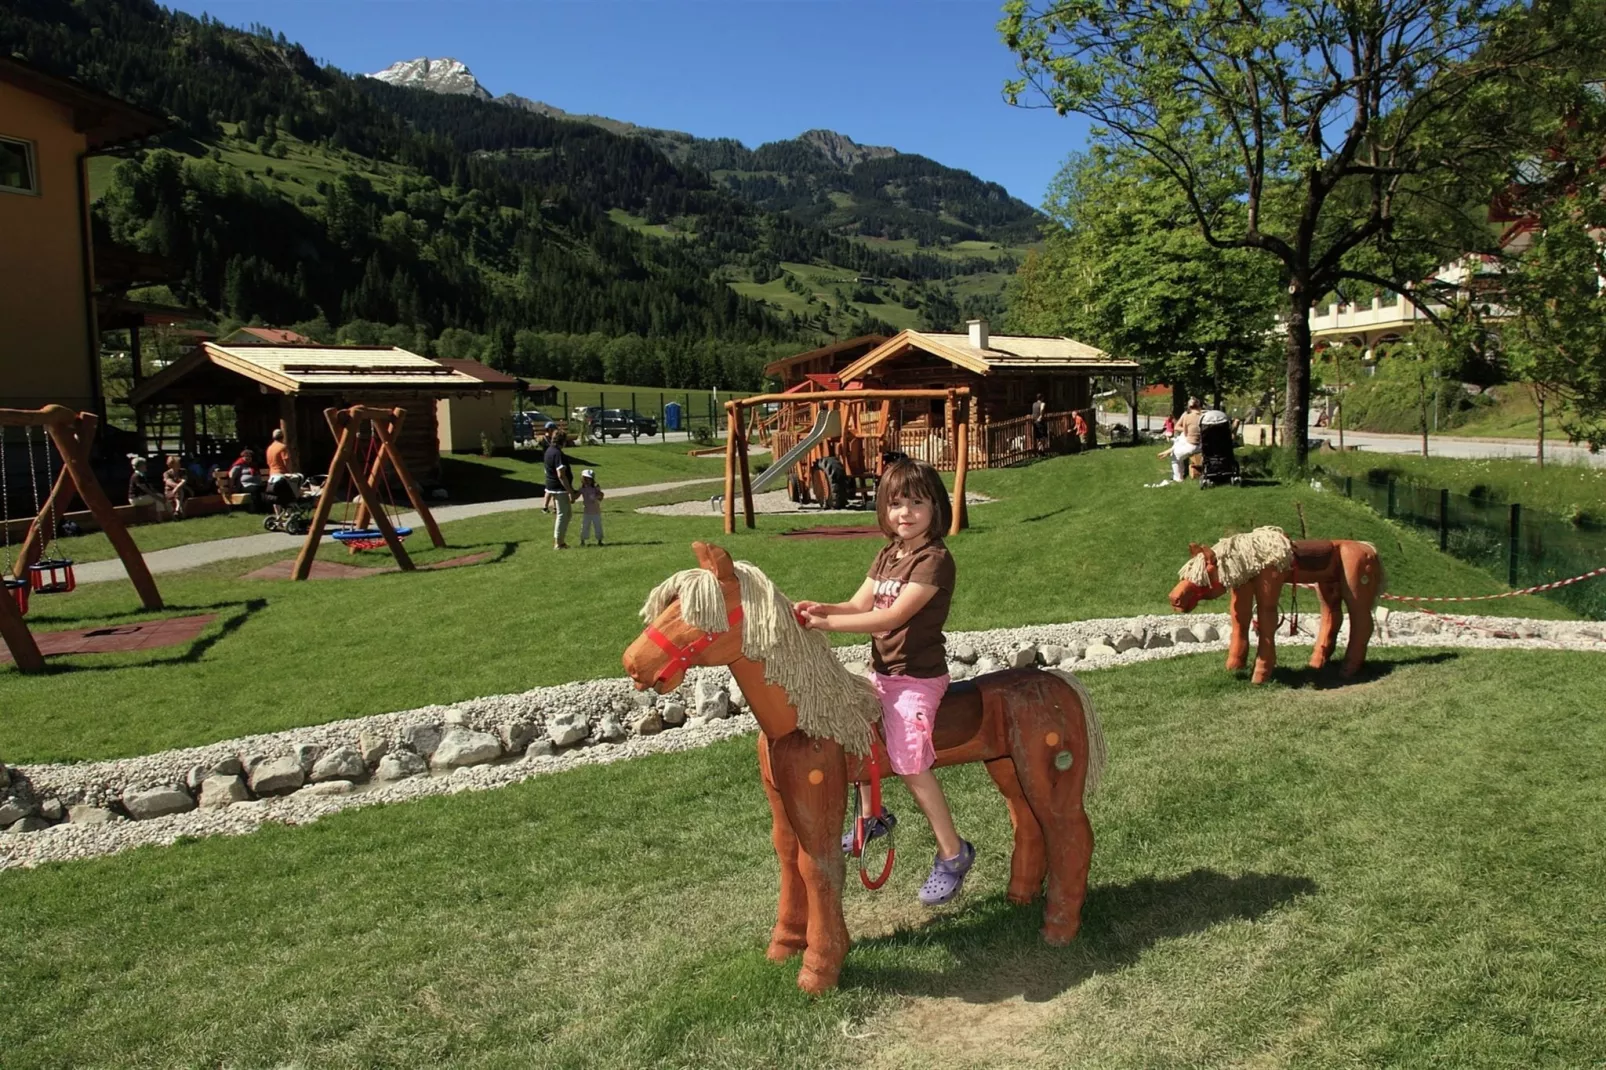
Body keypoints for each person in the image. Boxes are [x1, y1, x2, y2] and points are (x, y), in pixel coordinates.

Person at [795, 460, 975, 907]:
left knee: (910, 761)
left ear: (936, 507)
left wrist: (829, 626)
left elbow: (894, 616)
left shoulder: (934, 560)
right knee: (856, 732)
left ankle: (953, 853)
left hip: (916, 679)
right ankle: (872, 816)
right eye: (896, 503)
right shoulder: (889, 553)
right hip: (883, 673)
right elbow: (860, 602)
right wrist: (825, 608)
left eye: (917, 502)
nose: (906, 513)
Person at [544, 428, 577, 549]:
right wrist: (570, 491)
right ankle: (558, 543)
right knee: (563, 514)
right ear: (562, 441)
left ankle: (561, 541)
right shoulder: (558, 454)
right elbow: (561, 475)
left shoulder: (549, 451)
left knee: (567, 514)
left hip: (553, 486)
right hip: (559, 488)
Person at [1171, 397, 1205, 483]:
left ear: (1189, 407)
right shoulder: (1204, 416)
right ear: (1199, 406)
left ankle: (1178, 478)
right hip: (1202, 445)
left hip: (1191, 445)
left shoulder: (1186, 416)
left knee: (1175, 456)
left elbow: (1185, 433)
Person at [229, 448, 266, 513]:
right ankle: (256, 510)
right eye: (246, 456)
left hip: (256, 484)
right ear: (242, 457)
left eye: (249, 456)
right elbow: (231, 475)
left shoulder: (253, 465)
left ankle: (266, 508)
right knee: (255, 490)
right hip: (244, 486)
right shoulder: (239, 465)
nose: (248, 458)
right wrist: (232, 488)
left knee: (265, 489)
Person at [578, 468, 605, 546]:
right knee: (584, 526)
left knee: (598, 526)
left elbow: (601, 496)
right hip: (586, 511)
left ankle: (599, 540)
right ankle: (582, 541)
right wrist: (572, 498)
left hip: (596, 511)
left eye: (589, 479)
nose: (587, 480)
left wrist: (598, 496)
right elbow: (576, 495)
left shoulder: (595, 487)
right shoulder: (582, 488)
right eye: (585, 478)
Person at [161, 455, 192, 519]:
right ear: (172, 465)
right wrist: (177, 487)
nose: (179, 464)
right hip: (170, 491)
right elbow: (169, 483)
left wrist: (176, 488)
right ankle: (178, 509)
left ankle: (177, 510)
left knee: (180, 491)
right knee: (180, 491)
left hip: (181, 491)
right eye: (177, 463)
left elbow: (184, 481)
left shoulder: (183, 471)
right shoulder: (166, 473)